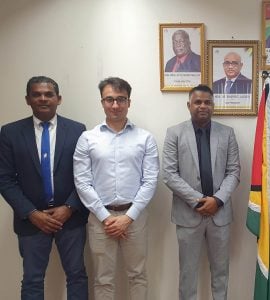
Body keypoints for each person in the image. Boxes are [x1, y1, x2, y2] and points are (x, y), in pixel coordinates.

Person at [0, 76, 88, 300]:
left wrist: (69, 207)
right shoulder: (10, 132)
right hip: (31, 221)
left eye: (48, 94)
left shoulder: (78, 130)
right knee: (32, 279)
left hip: (71, 218)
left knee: (77, 275)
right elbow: (5, 179)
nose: (43, 99)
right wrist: (32, 213)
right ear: (27, 99)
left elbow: (86, 175)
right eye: (36, 94)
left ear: (58, 99)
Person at [73, 77, 159, 299]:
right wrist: (105, 217)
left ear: (129, 102)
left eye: (121, 99)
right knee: (103, 279)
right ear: (102, 102)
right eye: (109, 99)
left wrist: (128, 217)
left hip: (135, 217)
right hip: (100, 218)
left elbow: (150, 180)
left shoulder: (145, 138)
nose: (115, 105)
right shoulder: (87, 138)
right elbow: (82, 181)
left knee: (137, 275)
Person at [162, 84, 240, 300]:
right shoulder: (174, 133)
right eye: (198, 102)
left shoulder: (227, 133)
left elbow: (234, 171)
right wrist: (198, 201)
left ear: (213, 106)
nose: (203, 106)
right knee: (187, 274)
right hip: (188, 215)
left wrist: (217, 200)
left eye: (207, 102)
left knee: (221, 273)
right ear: (189, 105)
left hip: (220, 215)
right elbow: (169, 174)